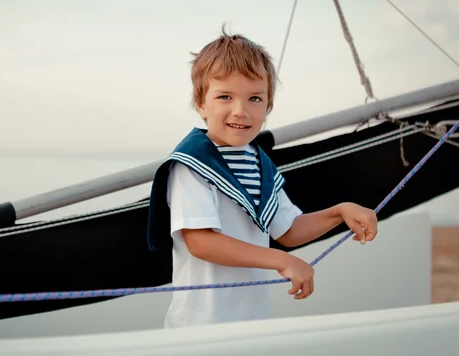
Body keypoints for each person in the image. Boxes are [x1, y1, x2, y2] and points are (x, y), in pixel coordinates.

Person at [146, 26, 378, 329]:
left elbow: (288, 230)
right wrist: (282, 260)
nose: (240, 110)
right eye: (225, 96)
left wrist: (339, 212)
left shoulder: (259, 163)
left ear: (268, 106)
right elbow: (202, 242)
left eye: (255, 98)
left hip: (250, 325)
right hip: (199, 329)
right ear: (201, 104)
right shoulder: (192, 165)